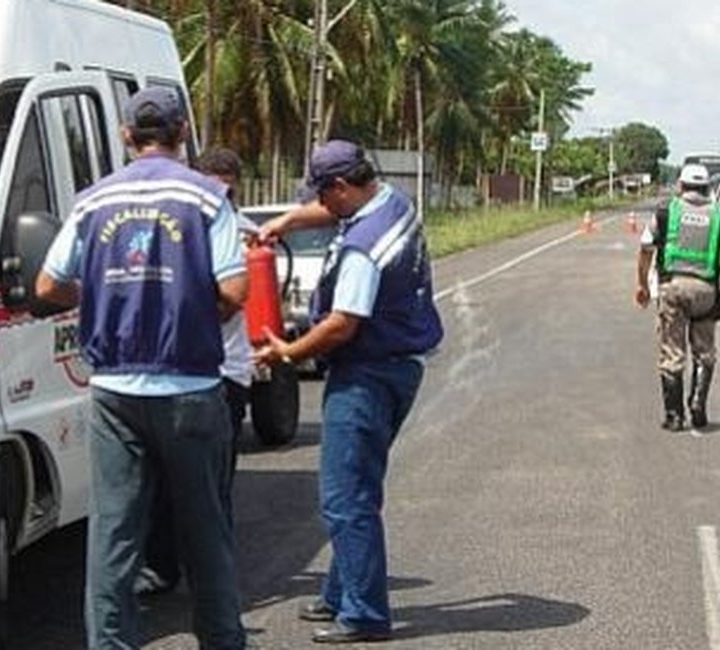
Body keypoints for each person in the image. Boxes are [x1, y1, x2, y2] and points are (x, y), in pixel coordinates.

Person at [35, 86, 248, 650]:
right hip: (192, 388)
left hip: (113, 393)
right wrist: (186, 308)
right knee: (206, 533)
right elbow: (234, 291)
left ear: (127, 137)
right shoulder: (207, 198)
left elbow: (48, 285)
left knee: (112, 538)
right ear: (183, 134)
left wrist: (106, 296)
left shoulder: (93, 201)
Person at [254, 139, 443, 644]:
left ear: (342, 187)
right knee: (358, 485)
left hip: (367, 373)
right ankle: (342, 591)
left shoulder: (365, 245)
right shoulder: (392, 202)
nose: (323, 205)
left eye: (324, 195)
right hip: (397, 365)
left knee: (345, 496)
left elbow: (342, 324)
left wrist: (288, 353)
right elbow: (327, 210)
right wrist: (286, 223)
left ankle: (363, 613)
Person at [136, 146, 257, 597]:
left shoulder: (244, 234)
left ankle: (216, 578)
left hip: (224, 372)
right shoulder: (179, 229)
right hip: (175, 371)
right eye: (214, 184)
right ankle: (163, 566)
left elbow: (234, 305)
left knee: (213, 486)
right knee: (162, 482)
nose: (222, 193)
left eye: (229, 185)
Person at [635, 163, 720, 431]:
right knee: (704, 351)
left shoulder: (667, 211)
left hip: (673, 288)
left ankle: (674, 416)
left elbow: (645, 248)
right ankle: (698, 405)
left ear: (681, 186)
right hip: (706, 291)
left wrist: (642, 285)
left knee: (672, 351)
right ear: (707, 188)